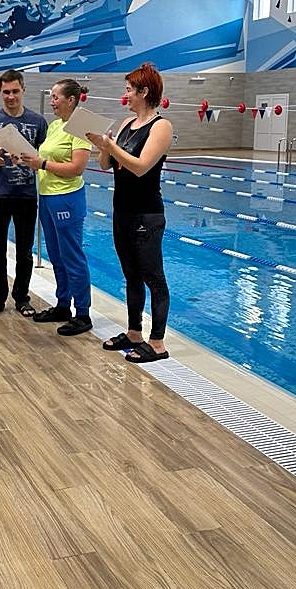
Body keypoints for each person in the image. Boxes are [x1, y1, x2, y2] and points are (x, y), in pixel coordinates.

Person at [86, 62, 173, 363]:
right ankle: (134, 333)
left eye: (129, 90)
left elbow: (140, 167)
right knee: (131, 275)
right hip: (122, 211)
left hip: (146, 214)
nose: (125, 95)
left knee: (154, 278)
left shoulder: (161, 126)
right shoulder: (126, 123)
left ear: (144, 91)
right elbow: (105, 165)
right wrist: (103, 146)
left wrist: (110, 145)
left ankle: (157, 343)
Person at [16, 80, 93, 336]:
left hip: (67, 198)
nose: (52, 102)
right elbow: (44, 161)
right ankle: (63, 305)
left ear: (71, 100)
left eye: (56, 97)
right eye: (51, 97)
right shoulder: (54, 125)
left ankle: (82, 313)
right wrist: (27, 160)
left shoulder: (80, 126)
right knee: (57, 256)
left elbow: (77, 168)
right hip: (48, 196)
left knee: (72, 256)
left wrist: (42, 164)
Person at [0, 68, 47, 318]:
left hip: (26, 195)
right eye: (6, 92)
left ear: (23, 90)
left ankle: (22, 298)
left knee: (25, 252)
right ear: (0, 91)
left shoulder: (38, 122)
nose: (11, 96)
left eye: (15, 91)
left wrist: (31, 159)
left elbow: (44, 157)